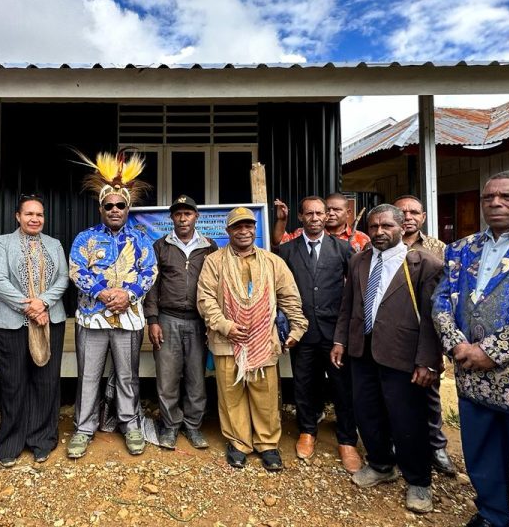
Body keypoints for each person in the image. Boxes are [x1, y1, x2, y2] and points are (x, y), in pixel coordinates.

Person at [331, 204, 443, 514]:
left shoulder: (424, 265)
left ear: (402, 227)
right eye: (374, 226)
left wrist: (427, 361)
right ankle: (381, 464)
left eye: (387, 226)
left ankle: (419, 480)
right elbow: (347, 305)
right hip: (361, 351)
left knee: (407, 419)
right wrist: (340, 340)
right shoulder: (358, 261)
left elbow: (433, 321)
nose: (380, 232)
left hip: (403, 355)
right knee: (366, 412)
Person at [432, 170, 509, 527]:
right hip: (472, 376)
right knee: (482, 452)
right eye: (489, 197)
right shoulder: (461, 248)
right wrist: (458, 346)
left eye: (508, 196)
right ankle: (492, 514)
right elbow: (440, 303)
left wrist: (492, 351)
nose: (496, 203)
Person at [197, 207, 307, 471]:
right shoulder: (214, 261)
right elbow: (205, 298)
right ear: (228, 232)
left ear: (255, 230)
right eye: (237, 227)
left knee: (265, 395)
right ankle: (238, 443)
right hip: (227, 342)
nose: (244, 231)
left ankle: (268, 445)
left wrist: (296, 329)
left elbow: (290, 298)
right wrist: (224, 325)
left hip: (263, 341)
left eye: (248, 226)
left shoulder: (272, 262)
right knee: (231, 396)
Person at [67, 150, 157, 458]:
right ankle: (83, 428)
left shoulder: (142, 238)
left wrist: (128, 294)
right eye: (109, 206)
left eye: (120, 205)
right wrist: (104, 293)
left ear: (128, 207)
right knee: (88, 375)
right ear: (101, 208)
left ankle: (130, 424)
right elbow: (77, 269)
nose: (115, 210)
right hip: (93, 317)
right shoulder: (85, 238)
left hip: (129, 317)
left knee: (127, 375)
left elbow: (150, 271)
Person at [277, 196, 361, 473]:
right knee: (304, 384)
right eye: (309, 214)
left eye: (319, 213)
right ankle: (307, 431)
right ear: (300, 217)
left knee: (342, 387)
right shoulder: (287, 251)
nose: (314, 218)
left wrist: (346, 333)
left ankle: (347, 440)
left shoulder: (344, 249)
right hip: (303, 332)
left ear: (327, 217)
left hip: (336, 333)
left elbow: (355, 292)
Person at [0, 194, 69, 466]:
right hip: (12, 323)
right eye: (29, 214)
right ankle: (10, 443)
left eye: (39, 215)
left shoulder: (54, 244)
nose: (35, 219)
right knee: (13, 384)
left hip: (50, 321)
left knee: (46, 383)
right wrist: (29, 307)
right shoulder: (3, 242)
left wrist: (43, 303)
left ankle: (42, 440)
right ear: (18, 216)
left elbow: (63, 278)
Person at [143, 195, 218, 450]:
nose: (183, 218)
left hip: (198, 321)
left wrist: (212, 321)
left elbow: (217, 285)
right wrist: (152, 320)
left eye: (188, 213)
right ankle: (170, 426)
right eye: (178, 214)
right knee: (167, 378)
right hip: (168, 319)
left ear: (196, 216)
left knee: (196, 377)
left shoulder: (210, 246)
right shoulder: (160, 246)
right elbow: (151, 286)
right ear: (172, 218)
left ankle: (193, 426)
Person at [392, 194, 456, 477]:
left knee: (428, 391)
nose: (407, 216)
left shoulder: (438, 248)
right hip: (391, 331)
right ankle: (396, 444)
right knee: (392, 392)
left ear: (423, 217)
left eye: (413, 212)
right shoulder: (382, 245)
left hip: (425, 331)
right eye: (401, 212)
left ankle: (436, 446)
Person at [272, 193, 370, 252]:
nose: (331, 213)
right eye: (328, 209)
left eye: (337, 210)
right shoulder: (304, 233)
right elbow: (279, 242)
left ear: (348, 213)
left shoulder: (361, 238)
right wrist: (282, 220)